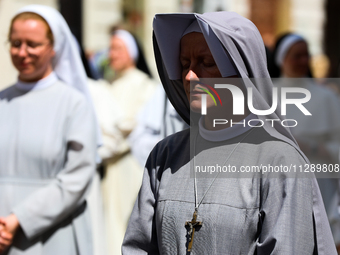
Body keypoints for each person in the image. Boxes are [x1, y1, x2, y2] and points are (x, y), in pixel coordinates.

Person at [122, 12, 337, 254]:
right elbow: (138, 247)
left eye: (207, 63)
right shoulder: (165, 154)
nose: (190, 76)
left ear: (242, 71)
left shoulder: (281, 162)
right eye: (184, 64)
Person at [0, 5, 98, 255]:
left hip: (54, 234)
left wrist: (17, 219)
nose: (22, 53)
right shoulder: (2, 100)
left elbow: (78, 176)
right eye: (15, 43)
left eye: (32, 44)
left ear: (54, 47)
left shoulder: (73, 104)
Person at [270, 33, 340, 251]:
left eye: (306, 55)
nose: (303, 61)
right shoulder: (266, 95)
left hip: (320, 181)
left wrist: (312, 147)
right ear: (282, 59)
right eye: (296, 56)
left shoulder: (326, 98)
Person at [99, 28, 157, 255]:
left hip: (130, 166)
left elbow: (134, 126)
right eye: (110, 49)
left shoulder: (145, 85)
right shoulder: (108, 84)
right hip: (108, 168)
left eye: (117, 48)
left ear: (131, 53)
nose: (111, 54)